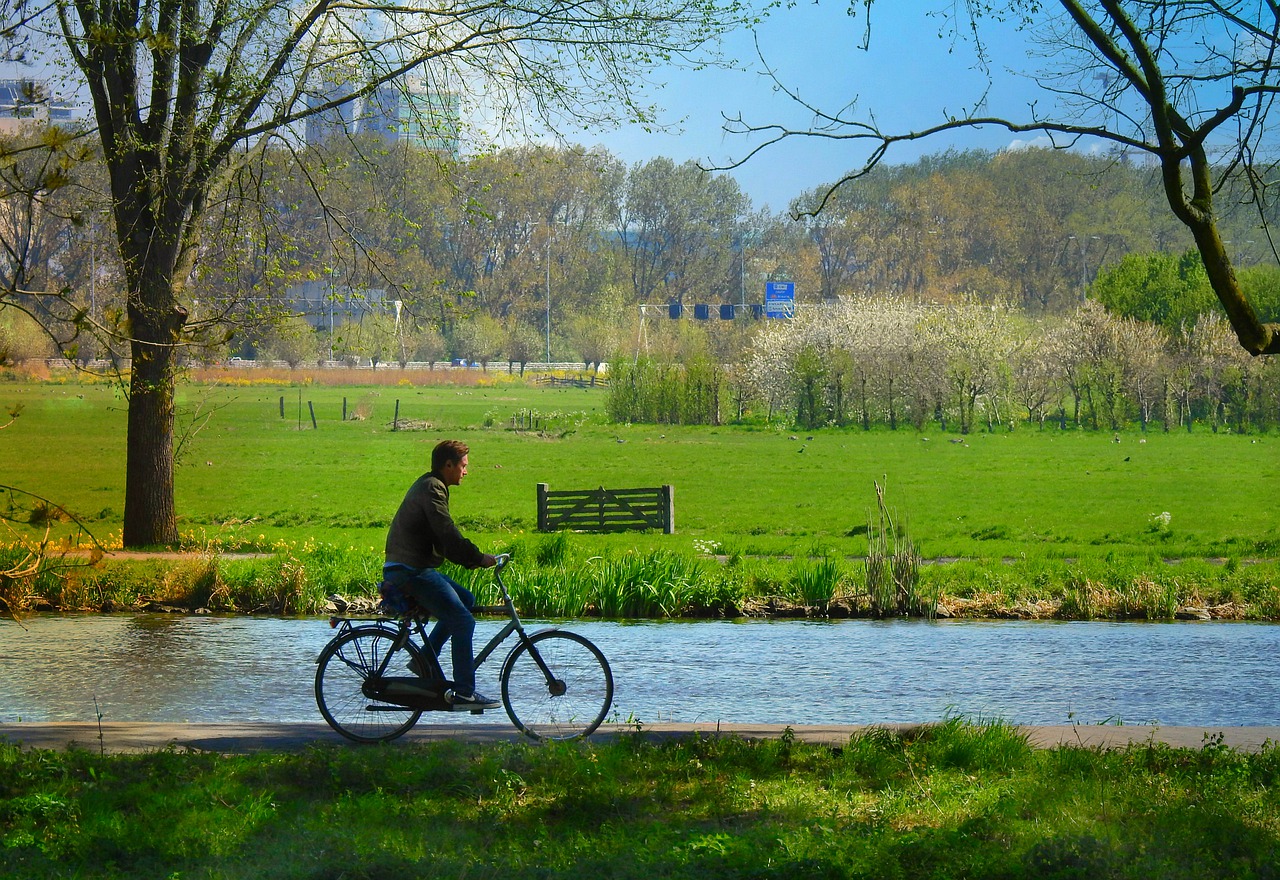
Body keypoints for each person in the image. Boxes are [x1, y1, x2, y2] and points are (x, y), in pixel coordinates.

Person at [383, 439, 499, 710]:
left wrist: (471, 558)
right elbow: (446, 533)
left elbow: (443, 537)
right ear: (449, 465)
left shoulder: (431, 485)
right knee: (463, 622)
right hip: (410, 570)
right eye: (463, 466)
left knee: (466, 600)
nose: (466, 472)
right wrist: (478, 558)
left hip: (411, 567)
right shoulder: (433, 488)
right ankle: (464, 693)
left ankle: (424, 660)